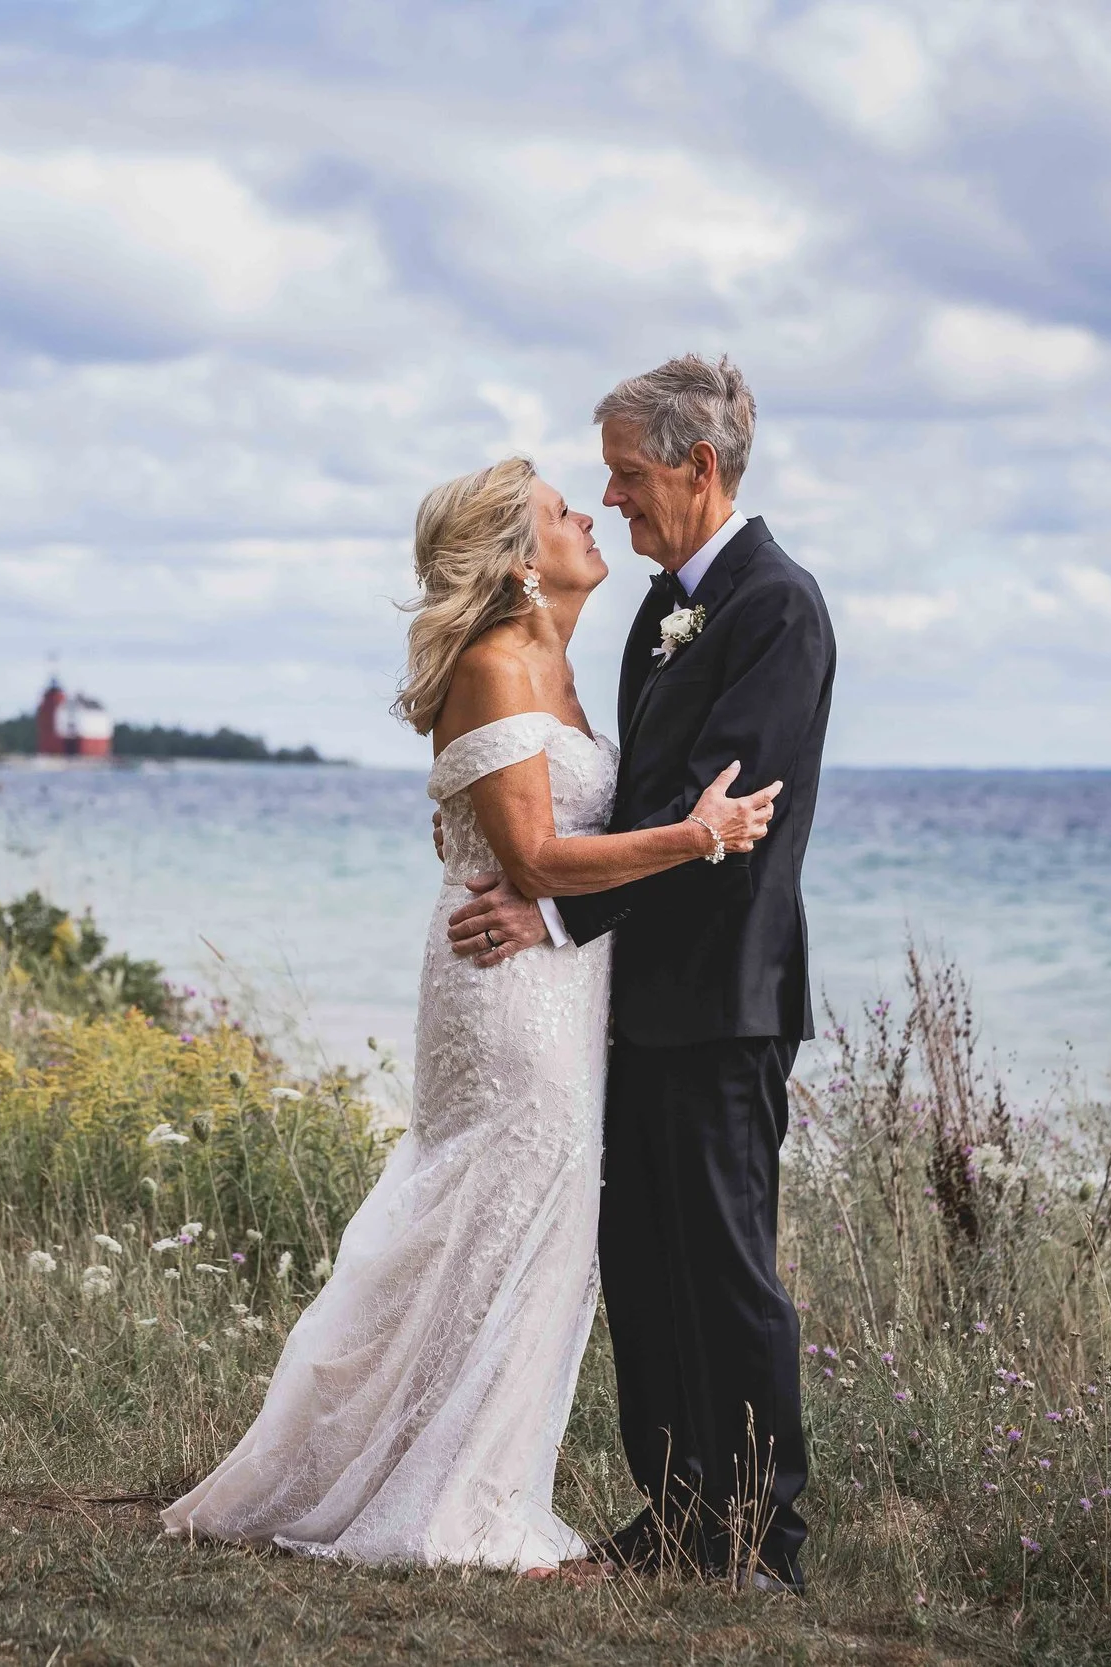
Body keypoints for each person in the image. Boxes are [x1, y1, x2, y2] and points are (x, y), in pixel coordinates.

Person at [160, 452, 779, 1571]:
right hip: (506, 992)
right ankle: (430, 1489)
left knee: (529, 1224)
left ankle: (470, 1476)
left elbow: (512, 827)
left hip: (562, 978)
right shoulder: (496, 664)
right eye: (559, 510)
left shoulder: (562, 665)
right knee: (490, 1211)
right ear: (517, 559)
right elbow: (533, 858)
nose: (588, 512)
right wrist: (697, 836)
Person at [448, 354, 834, 1591]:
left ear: (697, 464)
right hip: (634, 997)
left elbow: (727, 822)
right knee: (645, 1266)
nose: (610, 497)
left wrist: (555, 915)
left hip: (724, 998)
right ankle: (672, 1518)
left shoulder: (776, 608)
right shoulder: (666, 610)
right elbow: (649, 808)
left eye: (624, 473)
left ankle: (758, 1543)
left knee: (725, 1269)